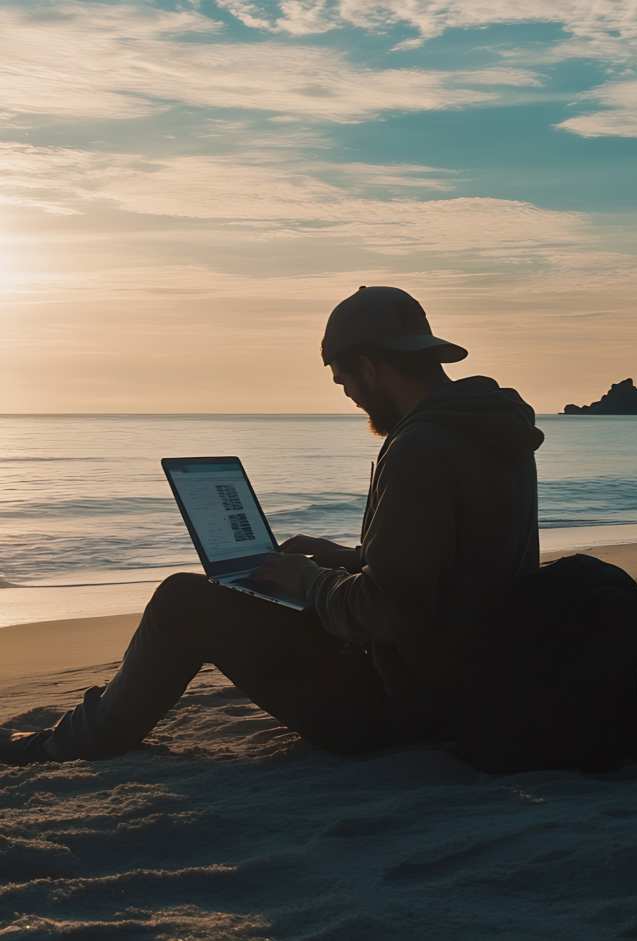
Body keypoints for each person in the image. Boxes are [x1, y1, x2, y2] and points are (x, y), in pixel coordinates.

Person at [0, 286, 544, 764]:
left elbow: (387, 612)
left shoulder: (419, 448)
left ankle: (63, 748)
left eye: (343, 381)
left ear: (372, 367)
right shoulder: (493, 430)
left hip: (406, 706)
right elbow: (458, 569)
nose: (350, 397)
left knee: (183, 602)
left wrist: (306, 582)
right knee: (261, 582)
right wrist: (343, 559)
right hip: (480, 677)